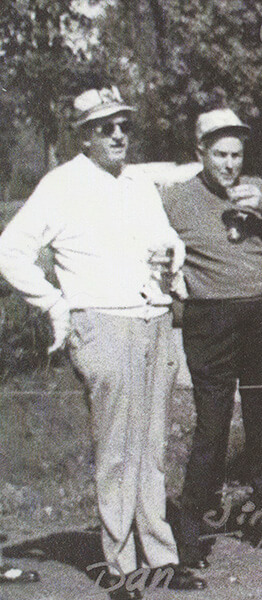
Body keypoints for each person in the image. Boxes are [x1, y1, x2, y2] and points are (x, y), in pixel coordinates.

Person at [0, 87, 206, 599]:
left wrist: (171, 256)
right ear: (85, 136)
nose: (118, 135)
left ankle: (161, 556)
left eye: (123, 126)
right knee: (116, 448)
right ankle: (120, 566)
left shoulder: (138, 183)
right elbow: (10, 252)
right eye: (105, 127)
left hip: (153, 318)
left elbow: (169, 239)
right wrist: (54, 304)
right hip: (101, 325)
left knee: (152, 445)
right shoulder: (60, 185)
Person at [163, 107, 262, 569]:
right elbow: (153, 249)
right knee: (213, 424)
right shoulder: (176, 200)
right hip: (210, 319)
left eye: (236, 154)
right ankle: (190, 533)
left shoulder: (259, 188)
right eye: (220, 154)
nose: (229, 164)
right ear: (199, 153)